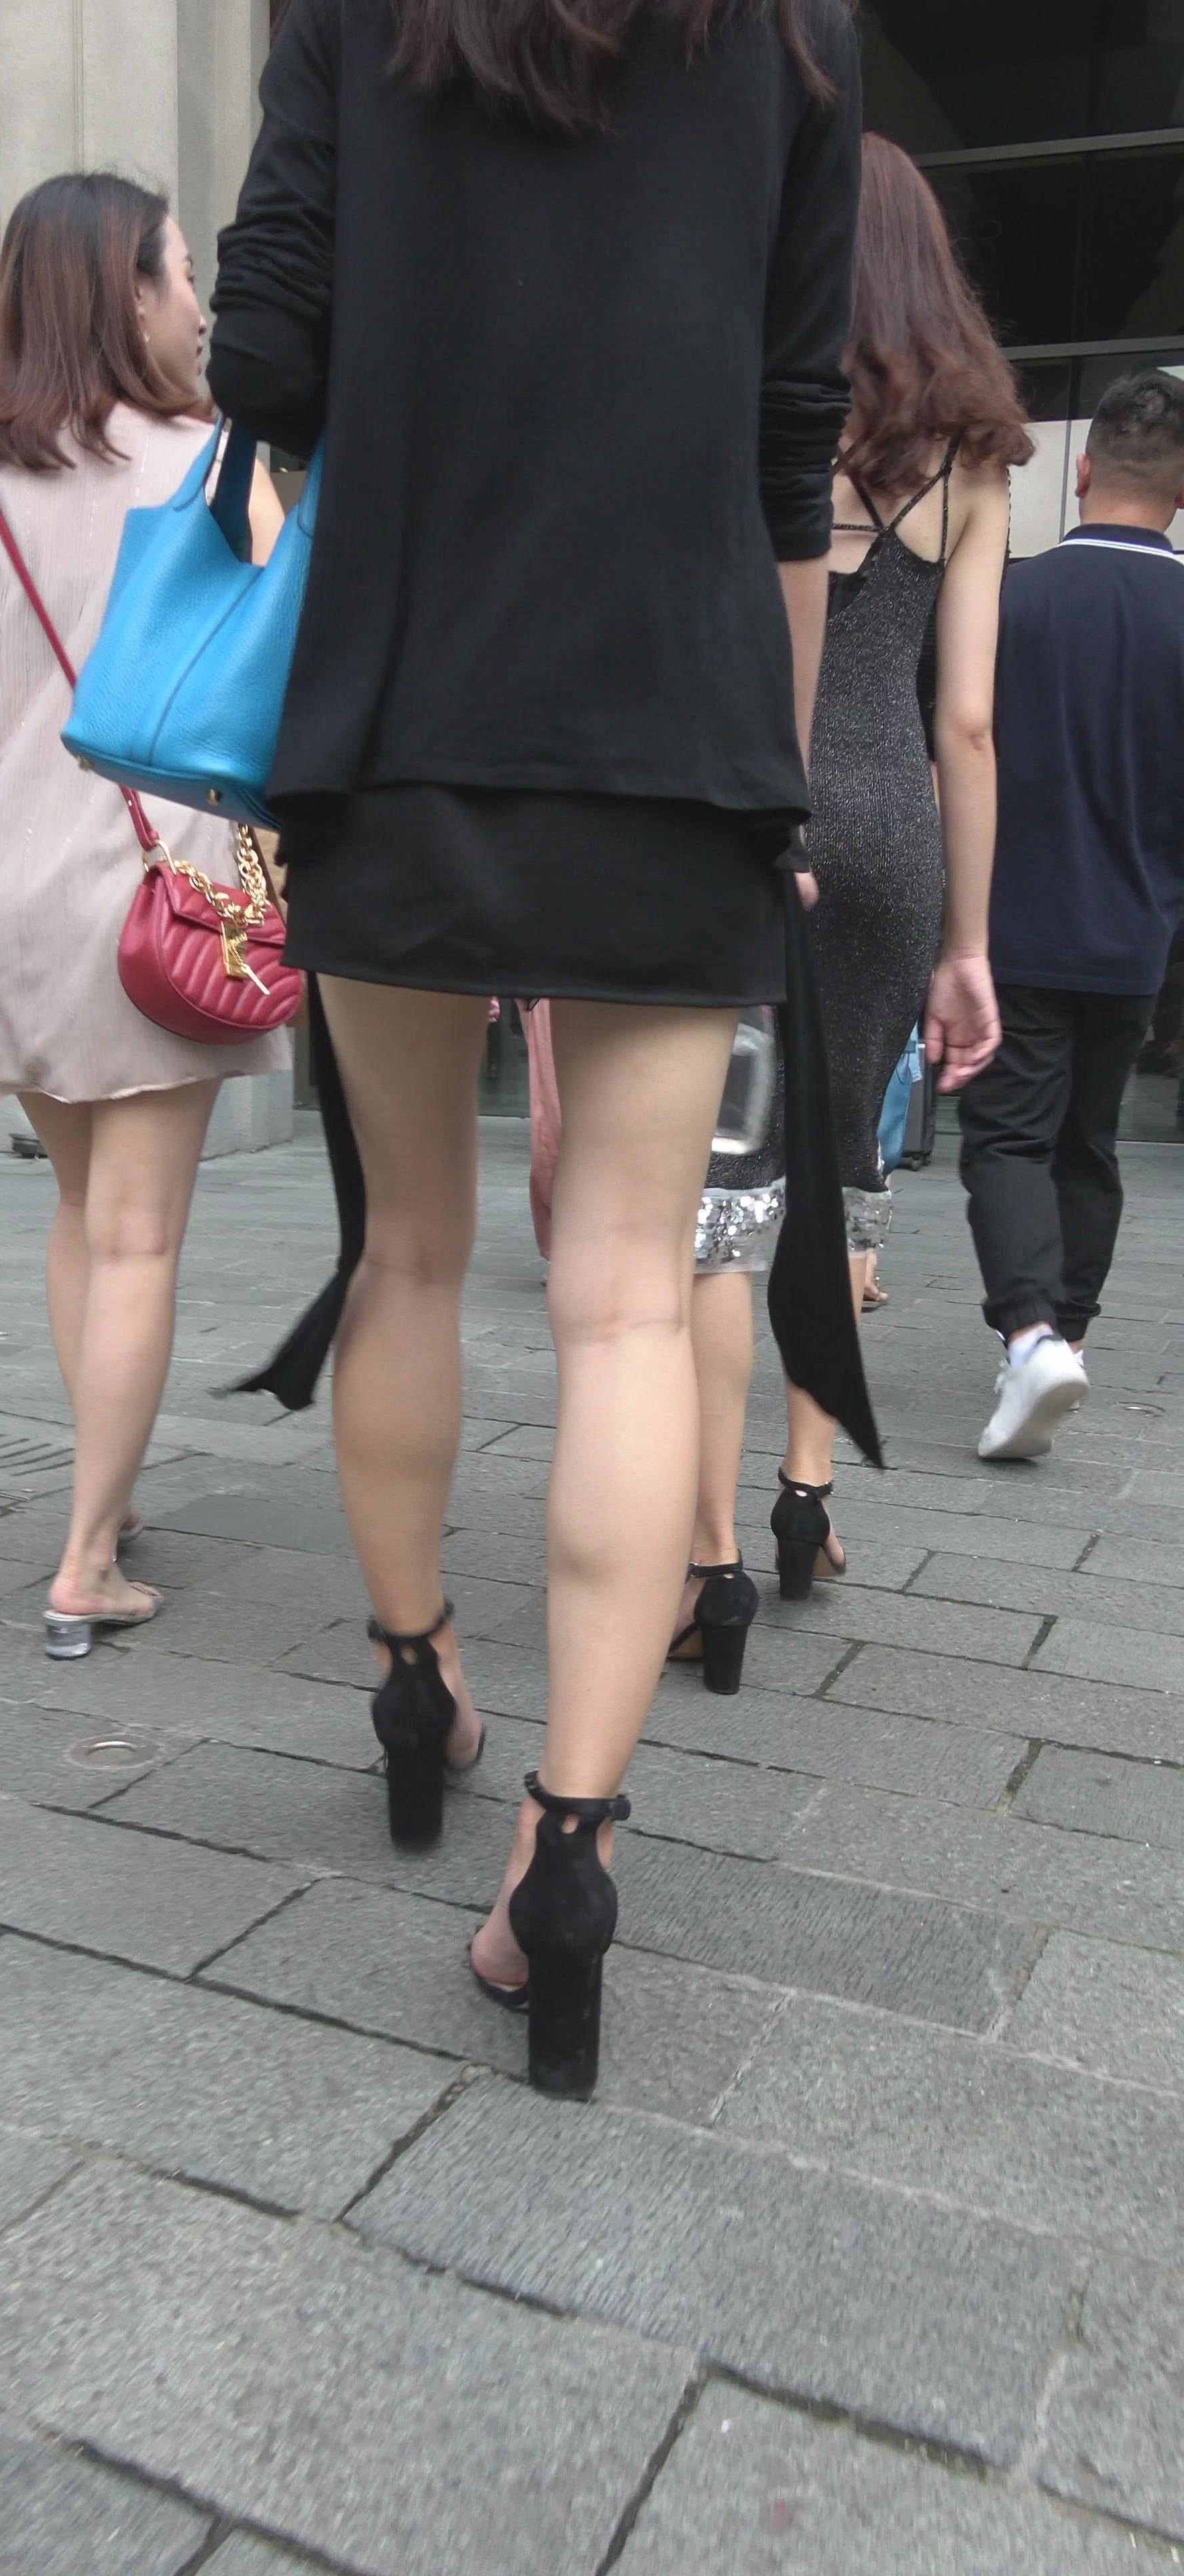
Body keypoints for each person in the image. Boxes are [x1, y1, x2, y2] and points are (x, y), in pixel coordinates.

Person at [209, 0, 866, 2096]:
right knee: (627, 1299)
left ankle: (418, 1682)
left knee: (408, 1248)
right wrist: (766, 776)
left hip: (399, 707)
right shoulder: (793, 29)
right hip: (680, 723)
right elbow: (793, 435)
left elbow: (264, 357)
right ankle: (566, 1858)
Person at [0, 172, 288, 1656]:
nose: (197, 304)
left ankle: (109, 1486)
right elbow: (278, 678)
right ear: (126, 293)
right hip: (164, 887)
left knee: (79, 1210)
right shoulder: (217, 463)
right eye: (179, 273)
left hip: (14, 889)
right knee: (142, 1237)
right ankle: (87, 1558)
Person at [668, 131, 1024, 1673]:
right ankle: (805, 1493)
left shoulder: (749, 408)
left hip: (752, 826)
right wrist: (969, 942)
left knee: (714, 1210)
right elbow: (968, 724)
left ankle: (709, 1562)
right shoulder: (973, 462)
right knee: (833, 1177)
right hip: (892, 840)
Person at [961, 370, 1184, 1463]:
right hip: (1137, 932)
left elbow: (962, 741)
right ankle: (1067, 1339)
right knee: (1088, 1144)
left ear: (1083, 468)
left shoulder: (1011, 598)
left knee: (1008, 1135)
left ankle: (1032, 1336)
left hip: (1014, 920)